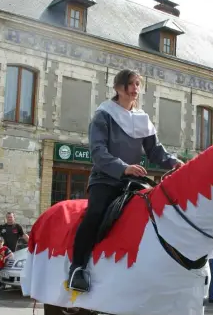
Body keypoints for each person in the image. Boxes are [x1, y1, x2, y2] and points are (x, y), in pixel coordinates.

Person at [68, 69, 183, 292]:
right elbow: (98, 152)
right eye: (131, 84)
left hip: (133, 181)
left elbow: (155, 152)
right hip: (106, 179)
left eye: (138, 84)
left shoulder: (142, 119)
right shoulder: (104, 115)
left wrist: (173, 162)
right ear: (118, 88)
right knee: (94, 215)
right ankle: (77, 268)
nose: (135, 89)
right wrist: (124, 168)